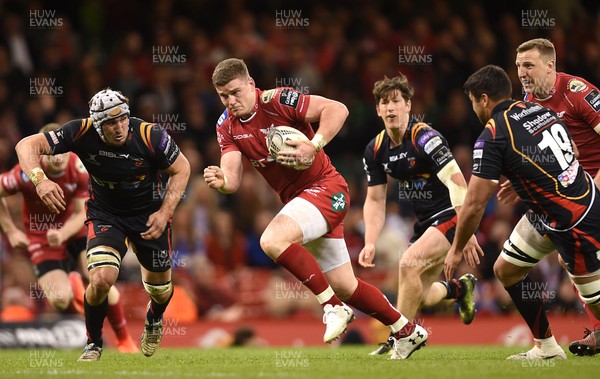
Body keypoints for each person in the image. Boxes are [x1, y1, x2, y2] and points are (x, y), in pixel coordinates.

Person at [204, 58, 426, 360]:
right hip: (303, 203)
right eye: (223, 96)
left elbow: (337, 109)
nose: (231, 101)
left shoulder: (279, 99)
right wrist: (222, 181)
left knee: (271, 240)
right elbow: (232, 178)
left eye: (235, 92)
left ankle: (332, 307)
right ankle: (406, 330)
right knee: (347, 286)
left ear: (252, 85)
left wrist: (315, 143)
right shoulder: (226, 126)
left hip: (327, 188)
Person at [15, 89, 190, 361]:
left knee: (160, 290)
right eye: (110, 123)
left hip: (149, 215)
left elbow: (182, 168)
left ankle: (154, 319)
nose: (119, 128)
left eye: (122, 119)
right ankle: (93, 343)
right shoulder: (81, 131)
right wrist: (41, 180)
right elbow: (26, 145)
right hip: (106, 215)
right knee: (100, 279)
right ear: (97, 124)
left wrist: (165, 211)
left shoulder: (150, 135)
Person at [445, 64, 600, 360]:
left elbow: (476, 203)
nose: (474, 109)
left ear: (484, 98)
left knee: (597, 304)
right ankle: (547, 349)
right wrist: (524, 180)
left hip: (573, 222)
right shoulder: (538, 110)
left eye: (473, 102)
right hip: (553, 211)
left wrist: (456, 249)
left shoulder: (492, 134)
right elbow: (573, 153)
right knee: (507, 269)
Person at [358, 74, 480, 355]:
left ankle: (399, 340)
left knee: (408, 264)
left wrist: (467, 230)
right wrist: (370, 240)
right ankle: (459, 290)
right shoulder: (375, 150)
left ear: (408, 105)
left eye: (396, 101)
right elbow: (375, 200)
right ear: (377, 110)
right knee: (421, 295)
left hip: (451, 214)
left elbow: (457, 182)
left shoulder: (426, 138)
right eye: (384, 103)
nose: (390, 108)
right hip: (426, 225)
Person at [0, 123, 138, 353]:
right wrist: (11, 230)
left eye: (63, 150)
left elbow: (80, 212)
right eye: (53, 152)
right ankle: (75, 287)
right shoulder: (26, 174)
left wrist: (62, 233)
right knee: (59, 300)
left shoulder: (80, 169)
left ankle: (124, 340)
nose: (59, 157)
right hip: (41, 239)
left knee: (102, 281)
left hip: (77, 231)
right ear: (42, 153)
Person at [505, 38, 600, 356]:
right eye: (518, 66)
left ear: (550, 65)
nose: (521, 72)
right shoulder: (529, 98)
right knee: (557, 258)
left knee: (571, 255)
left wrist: (594, 189)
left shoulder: (578, 93)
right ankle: (553, 344)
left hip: (591, 187)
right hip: (564, 192)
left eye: (528, 65)